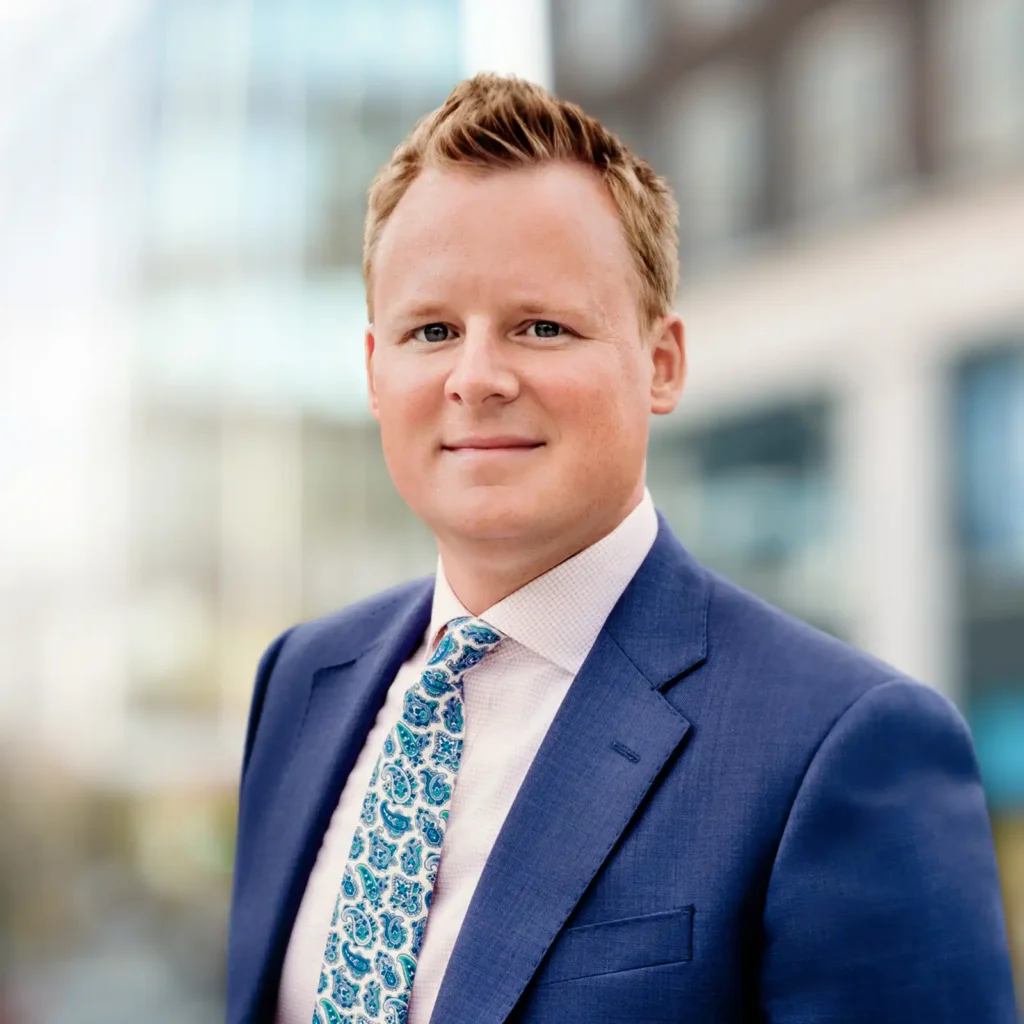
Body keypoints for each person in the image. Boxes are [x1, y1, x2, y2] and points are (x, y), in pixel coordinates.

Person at [226, 74, 1017, 1024]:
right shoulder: (301, 680)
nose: (476, 377)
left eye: (542, 326)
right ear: (373, 371)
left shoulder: (845, 746)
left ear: (662, 363)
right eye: (432, 330)